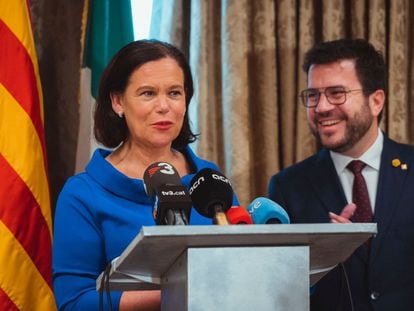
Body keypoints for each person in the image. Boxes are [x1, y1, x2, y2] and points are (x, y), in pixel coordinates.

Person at [53, 39, 238, 310]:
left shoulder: (209, 181)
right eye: (148, 93)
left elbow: (240, 264)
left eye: (174, 93)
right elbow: (74, 302)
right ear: (118, 102)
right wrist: (176, 295)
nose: (164, 106)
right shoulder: (82, 194)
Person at [268, 38, 414, 311]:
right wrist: (322, 256)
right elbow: (278, 289)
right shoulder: (287, 188)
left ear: (376, 101)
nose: (321, 107)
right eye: (313, 95)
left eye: (337, 93)